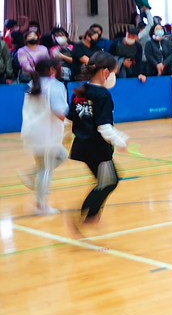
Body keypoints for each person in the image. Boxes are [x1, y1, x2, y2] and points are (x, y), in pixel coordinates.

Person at [66, 51, 129, 236]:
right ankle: (84, 215)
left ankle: (91, 216)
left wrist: (64, 138)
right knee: (110, 182)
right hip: (98, 148)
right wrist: (120, 140)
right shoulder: (103, 95)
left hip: (82, 146)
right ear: (105, 72)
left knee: (106, 181)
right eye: (114, 73)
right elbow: (103, 127)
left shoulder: (80, 91)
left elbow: (70, 119)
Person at [19, 57, 67, 215]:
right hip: (46, 134)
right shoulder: (55, 85)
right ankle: (41, 206)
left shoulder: (33, 83)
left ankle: (32, 175)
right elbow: (60, 112)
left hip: (32, 131)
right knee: (45, 169)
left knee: (61, 155)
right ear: (52, 70)